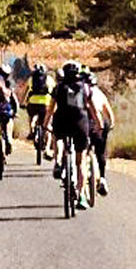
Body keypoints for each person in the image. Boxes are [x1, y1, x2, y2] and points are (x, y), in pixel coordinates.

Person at [50, 61, 93, 208]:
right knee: (80, 162)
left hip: (62, 121)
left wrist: (45, 124)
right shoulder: (85, 88)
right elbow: (91, 107)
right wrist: (99, 124)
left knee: (58, 137)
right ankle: (81, 196)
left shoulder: (58, 88)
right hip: (80, 123)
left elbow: (50, 109)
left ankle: (58, 162)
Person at [83, 67, 115, 200]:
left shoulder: (79, 92)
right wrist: (111, 125)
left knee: (82, 151)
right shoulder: (99, 93)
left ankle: (81, 178)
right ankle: (102, 178)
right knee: (101, 152)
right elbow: (109, 114)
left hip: (84, 123)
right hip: (100, 124)